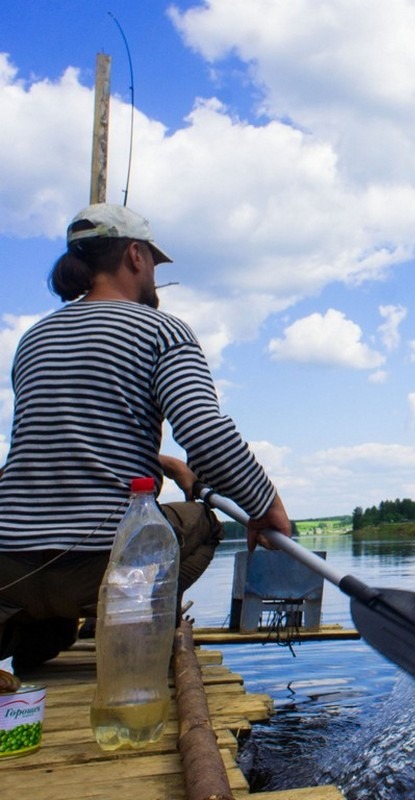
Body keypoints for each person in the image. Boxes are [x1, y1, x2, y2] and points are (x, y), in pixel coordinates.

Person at [0, 202, 291, 672]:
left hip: (9, 569)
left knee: (45, 605)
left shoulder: (33, 338)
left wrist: (167, 463)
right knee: (207, 524)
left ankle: (40, 624)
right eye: (154, 260)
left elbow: (70, 432)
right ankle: (132, 618)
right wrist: (265, 506)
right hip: (103, 571)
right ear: (135, 256)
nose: (155, 272)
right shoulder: (162, 331)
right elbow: (207, 435)